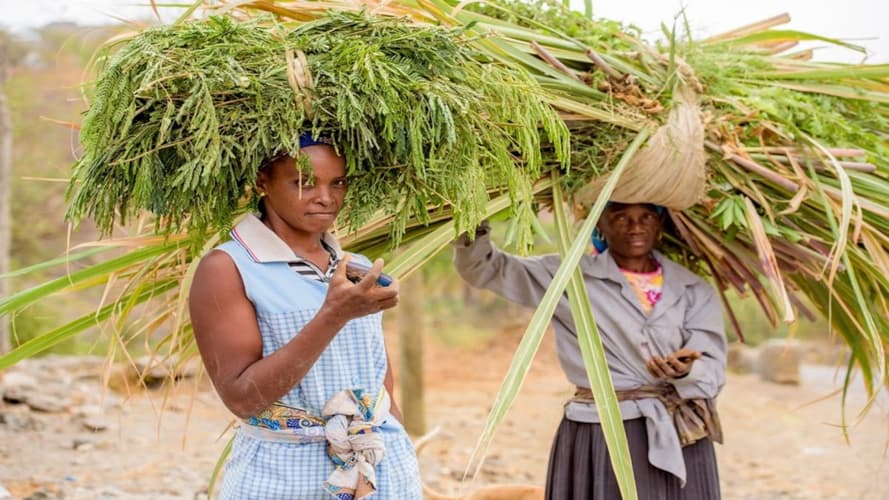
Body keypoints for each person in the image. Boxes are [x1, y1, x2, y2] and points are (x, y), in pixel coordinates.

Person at [189, 135, 422, 499]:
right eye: (303, 183)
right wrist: (333, 315)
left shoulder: (354, 267)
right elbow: (241, 398)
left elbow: (377, 381)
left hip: (379, 471)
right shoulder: (228, 268)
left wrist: (400, 451)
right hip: (284, 476)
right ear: (262, 182)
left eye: (338, 182)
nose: (326, 198)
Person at [453, 202, 726, 499]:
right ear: (600, 225)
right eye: (621, 217)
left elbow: (711, 366)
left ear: (659, 224)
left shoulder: (692, 289)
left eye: (646, 217)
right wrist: (473, 219)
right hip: (602, 429)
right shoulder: (568, 276)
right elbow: (484, 269)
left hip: (680, 431)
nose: (636, 227)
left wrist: (687, 370)